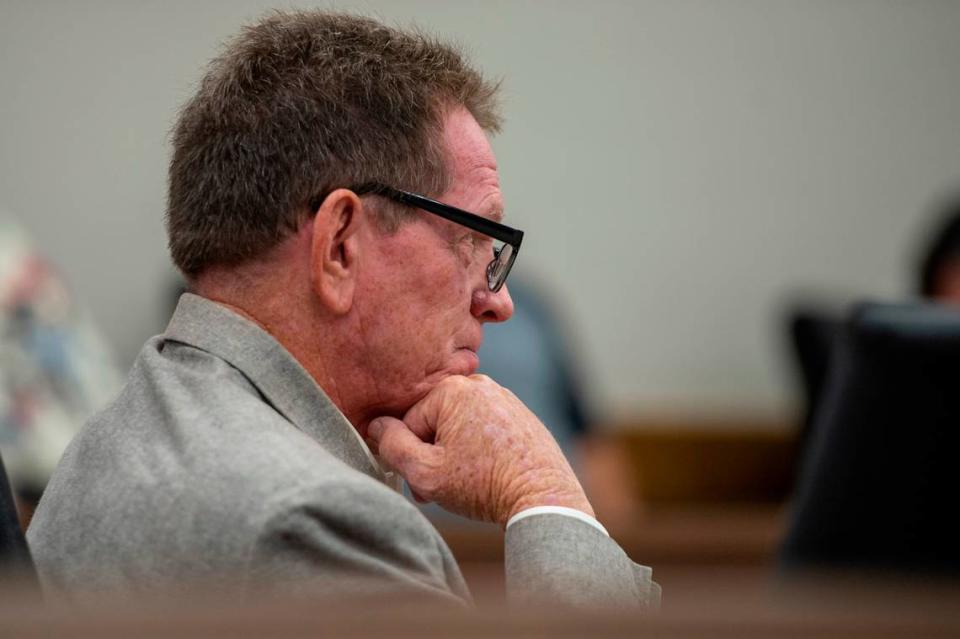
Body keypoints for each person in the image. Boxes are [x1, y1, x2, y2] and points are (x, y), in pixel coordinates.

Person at [26, 11, 659, 609]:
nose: (500, 301)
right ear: (338, 248)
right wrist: (544, 493)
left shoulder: (115, 434)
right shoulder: (319, 523)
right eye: (473, 239)